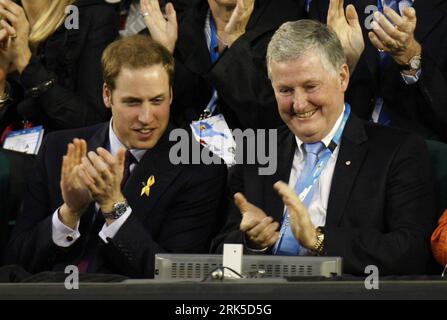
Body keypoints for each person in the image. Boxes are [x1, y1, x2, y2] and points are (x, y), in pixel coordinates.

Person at [211, 20, 436, 276]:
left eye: (310, 87)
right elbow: (218, 252)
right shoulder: (258, 152)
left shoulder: (398, 152)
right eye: (285, 90)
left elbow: (410, 252)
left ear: (342, 77)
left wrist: (319, 241)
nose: (298, 103)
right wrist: (252, 243)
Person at [5, 35, 227, 278]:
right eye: (132, 102)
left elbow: (175, 275)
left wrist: (113, 206)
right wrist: (69, 212)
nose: (146, 117)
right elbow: (17, 260)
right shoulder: (59, 149)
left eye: (157, 101)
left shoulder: (199, 167)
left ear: (171, 95)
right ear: (107, 95)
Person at [140, 0, 305, 130]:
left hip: (257, 157)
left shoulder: (289, 23)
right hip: (183, 155)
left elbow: (273, 117)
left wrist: (237, 44)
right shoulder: (175, 22)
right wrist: (166, 54)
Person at [308, 0, 447, 142]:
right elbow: (306, 96)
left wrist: (411, 59)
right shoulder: (331, 5)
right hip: (343, 144)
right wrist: (343, 64)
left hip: (422, 148)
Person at [0, 0, 118, 135]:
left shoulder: (92, 16)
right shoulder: (5, 17)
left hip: (67, 151)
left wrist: (25, 62)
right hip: (12, 150)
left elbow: (92, 123)